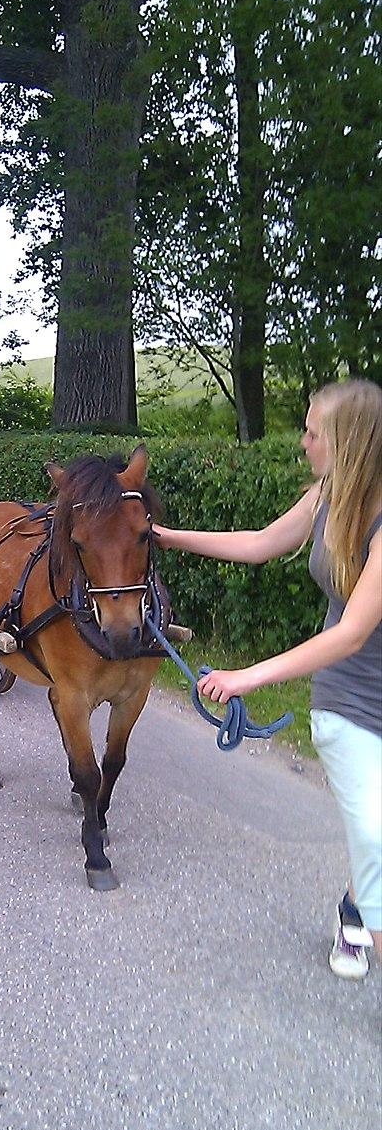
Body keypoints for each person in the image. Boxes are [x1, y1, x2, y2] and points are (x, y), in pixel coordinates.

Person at [154, 379, 382, 979]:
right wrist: (165, 538)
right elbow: (260, 544)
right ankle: (363, 914)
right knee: (376, 833)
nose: (303, 442)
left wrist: (248, 675)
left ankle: (356, 908)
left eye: (313, 433)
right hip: (351, 699)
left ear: (348, 442)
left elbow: (353, 627)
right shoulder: (329, 496)